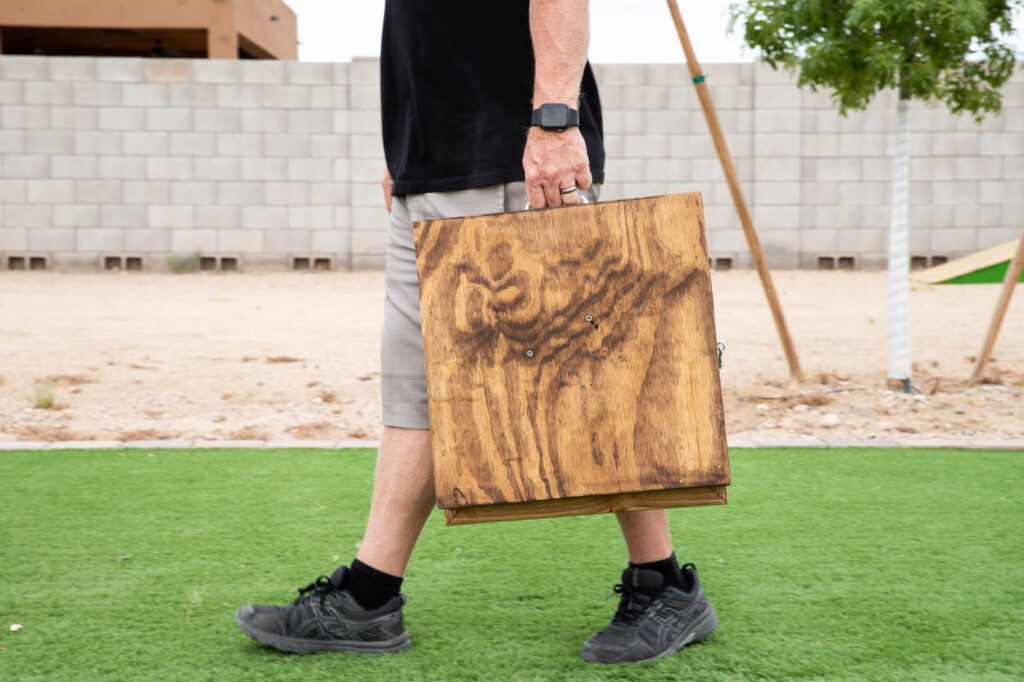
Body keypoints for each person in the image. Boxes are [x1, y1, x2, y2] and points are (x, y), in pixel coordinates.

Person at [234, 0, 717, 664]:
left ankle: (664, 584)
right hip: (433, 163)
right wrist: (407, 150)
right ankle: (367, 601)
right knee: (418, 389)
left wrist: (554, 121)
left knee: (591, 380)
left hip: (506, 158)